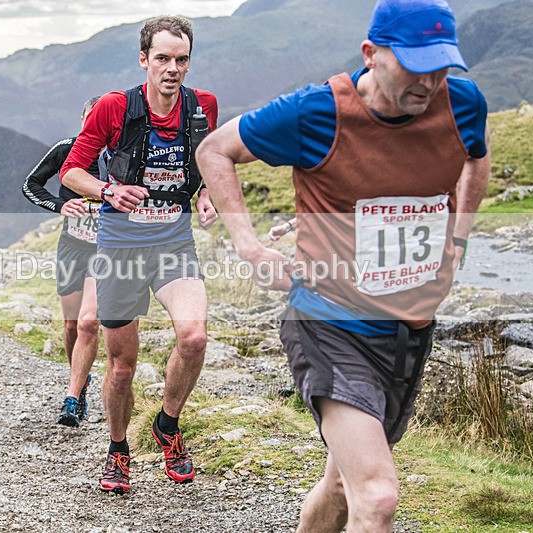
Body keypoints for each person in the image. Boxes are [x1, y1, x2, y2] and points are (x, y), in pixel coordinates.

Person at [197, 0, 490, 530]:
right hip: (328, 323)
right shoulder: (317, 113)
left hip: (407, 332)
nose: (430, 83)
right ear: (371, 54)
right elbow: (215, 150)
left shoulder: (462, 102)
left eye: (442, 66)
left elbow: (477, 153)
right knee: (376, 497)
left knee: (341, 485)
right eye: (416, 66)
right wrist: (250, 247)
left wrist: (460, 235)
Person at [60, 15, 218, 494]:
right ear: (144, 59)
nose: (173, 68)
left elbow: (206, 159)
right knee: (122, 367)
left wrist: (206, 192)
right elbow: (71, 172)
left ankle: (167, 427)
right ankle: (118, 449)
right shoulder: (113, 107)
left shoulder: (202, 105)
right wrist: (108, 190)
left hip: (174, 244)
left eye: (182, 59)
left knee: (193, 337)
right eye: (163, 58)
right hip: (120, 248)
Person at [21, 96, 103, 427]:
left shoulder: (122, 155)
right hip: (72, 246)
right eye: (89, 119)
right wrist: (60, 206)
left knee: (88, 322)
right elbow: (31, 184)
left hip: (106, 251)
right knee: (71, 325)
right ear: (82, 119)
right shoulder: (66, 149)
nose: (94, 126)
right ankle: (80, 383)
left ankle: (71, 396)